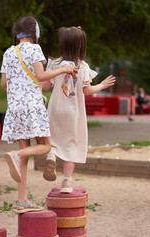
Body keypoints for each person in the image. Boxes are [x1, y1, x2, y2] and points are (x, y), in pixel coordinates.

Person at [0, 16, 78, 213]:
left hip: (14, 108)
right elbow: (40, 76)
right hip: (32, 107)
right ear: (34, 33)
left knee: (24, 157)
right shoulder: (35, 49)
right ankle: (15, 155)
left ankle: (22, 201)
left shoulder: (9, 52)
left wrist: (19, 87)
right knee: (45, 146)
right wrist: (64, 68)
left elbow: (3, 84)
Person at [42, 26, 116, 193]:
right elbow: (87, 91)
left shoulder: (54, 63)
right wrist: (102, 85)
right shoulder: (83, 67)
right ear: (81, 46)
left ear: (62, 44)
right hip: (74, 113)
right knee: (72, 144)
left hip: (55, 109)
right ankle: (66, 184)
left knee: (53, 139)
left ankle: (51, 156)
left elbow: (45, 85)